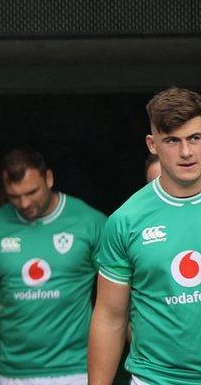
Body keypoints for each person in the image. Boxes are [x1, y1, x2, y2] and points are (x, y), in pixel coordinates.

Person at [89, 87, 201, 385]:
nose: (186, 152)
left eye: (195, 138)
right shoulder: (125, 221)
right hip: (155, 379)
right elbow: (110, 317)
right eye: (172, 141)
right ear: (153, 144)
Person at [0, 150, 106, 385]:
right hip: (9, 373)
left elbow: (118, 300)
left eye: (32, 192)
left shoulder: (91, 222)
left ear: (48, 179)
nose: (25, 203)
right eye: (14, 196)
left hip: (77, 371)